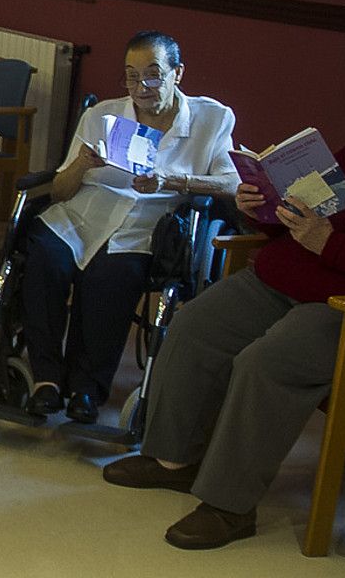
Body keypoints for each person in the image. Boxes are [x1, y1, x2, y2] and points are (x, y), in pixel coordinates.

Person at [103, 39, 345, 550]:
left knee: (266, 361)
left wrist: (331, 245)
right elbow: (299, 223)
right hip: (284, 277)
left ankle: (229, 504)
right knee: (195, 324)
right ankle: (173, 457)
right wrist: (260, 209)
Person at [20, 31, 238, 424]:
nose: (141, 87)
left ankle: (87, 388)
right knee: (44, 259)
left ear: (178, 74)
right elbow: (60, 191)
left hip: (146, 224)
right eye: (132, 77)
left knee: (111, 275)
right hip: (81, 215)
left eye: (153, 76)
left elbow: (232, 183)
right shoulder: (102, 115)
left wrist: (172, 181)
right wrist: (82, 164)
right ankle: (46, 380)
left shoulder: (212, 119)